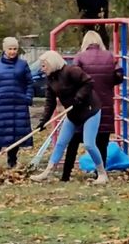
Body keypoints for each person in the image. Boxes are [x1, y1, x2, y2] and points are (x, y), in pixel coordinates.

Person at [30, 50, 107, 184]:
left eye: (44, 65)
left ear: (52, 63)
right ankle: (47, 172)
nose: (42, 69)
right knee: (60, 143)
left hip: (90, 111)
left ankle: (102, 174)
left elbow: (88, 82)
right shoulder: (51, 79)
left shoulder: (71, 71)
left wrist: (79, 98)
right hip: (73, 114)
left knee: (89, 144)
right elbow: (50, 102)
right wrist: (44, 121)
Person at [60, 31, 124, 182]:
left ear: (85, 42)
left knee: (74, 141)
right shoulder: (109, 57)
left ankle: (66, 174)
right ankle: (99, 173)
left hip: (83, 105)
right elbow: (119, 75)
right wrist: (109, 83)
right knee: (102, 141)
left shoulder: (80, 57)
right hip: (104, 103)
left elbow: (72, 78)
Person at [0, 37, 34, 168]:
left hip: (19, 104)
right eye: (10, 49)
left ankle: (12, 161)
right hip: (0, 104)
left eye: (15, 49)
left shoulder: (23, 65)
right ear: (4, 49)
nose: (12, 52)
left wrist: (27, 98)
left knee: (15, 134)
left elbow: (29, 83)